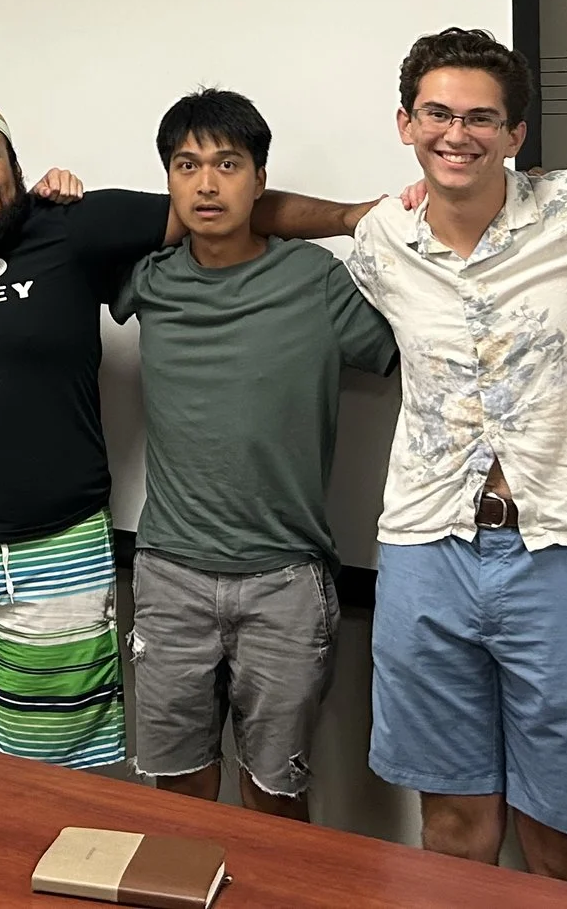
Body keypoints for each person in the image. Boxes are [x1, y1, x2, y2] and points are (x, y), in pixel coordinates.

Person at [0, 98, 356, 773]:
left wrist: (350, 217)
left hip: (56, 549)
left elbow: (225, 206)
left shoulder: (77, 225)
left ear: (16, 166)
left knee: (49, 767)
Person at [348, 27, 567, 887]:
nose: (456, 133)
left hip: (561, 552)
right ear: (405, 123)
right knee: (454, 822)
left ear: (514, 135)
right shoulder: (382, 240)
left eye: (481, 118)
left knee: (562, 835)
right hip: (425, 549)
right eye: (437, 113)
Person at [115, 88, 396, 820]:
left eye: (228, 164)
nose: (207, 184)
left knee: (275, 800)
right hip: (171, 573)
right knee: (178, 794)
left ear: (259, 179)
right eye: (187, 165)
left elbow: (415, 358)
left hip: (286, 582)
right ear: (169, 182)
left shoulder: (315, 280)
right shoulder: (149, 278)